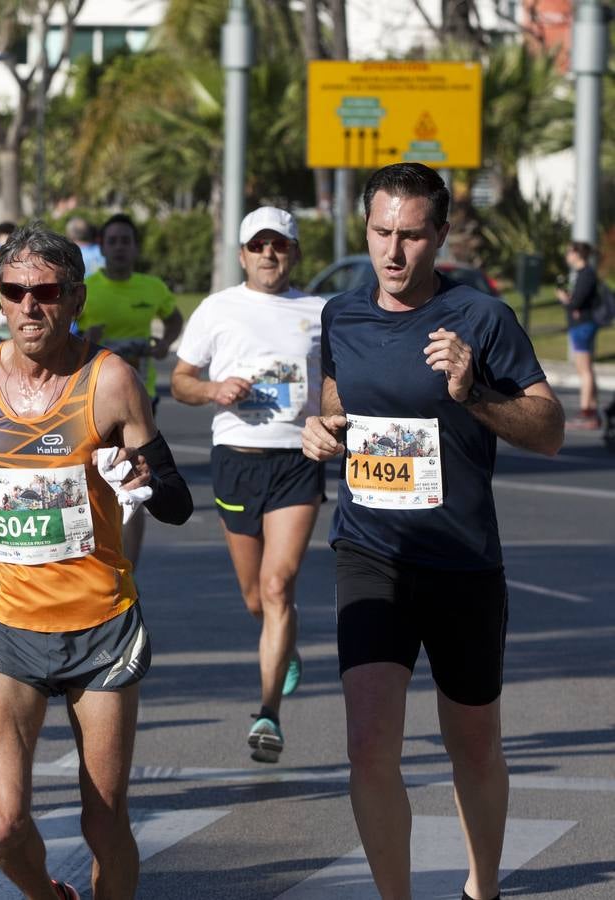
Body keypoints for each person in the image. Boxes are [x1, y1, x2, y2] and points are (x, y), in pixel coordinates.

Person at [301, 163, 564, 900]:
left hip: (461, 562)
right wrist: (321, 428)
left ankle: (482, 887)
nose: (393, 251)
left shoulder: (482, 319)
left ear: (439, 236)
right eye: (382, 232)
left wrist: (472, 391)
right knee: (367, 744)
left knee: (474, 747)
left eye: (412, 235)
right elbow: (335, 392)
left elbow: (548, 431)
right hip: (370, 552)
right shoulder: (341, 315)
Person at [0, 225, 193, 900]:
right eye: (14, 292)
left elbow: (180, 503)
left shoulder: (111, 383)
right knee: (2, 823)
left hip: (100, 630)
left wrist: (143, 478)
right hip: (4, 625)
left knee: (103, 822)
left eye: (45, 293)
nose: (28, 307)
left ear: (74, 297)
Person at [171, 206, 326, 763]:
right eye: (258, 245)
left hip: (297, 461)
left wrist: (334, 419)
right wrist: (214, 391)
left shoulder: (320, 311)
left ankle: (268, 713)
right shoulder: (218, 308)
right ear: (242, 255)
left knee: (279, 586)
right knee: (254, 595)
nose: (268, 254)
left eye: (279, 245)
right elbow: (181, 381)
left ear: (294, 253)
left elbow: (338, 384)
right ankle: (281, 648)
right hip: (237, 458)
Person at [78, 212, 184, 567]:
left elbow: (173, 319)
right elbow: (64, 335)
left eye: (126, 241)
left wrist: (162, 344)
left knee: (134, 477)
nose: (120, 248)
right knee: (97, 477)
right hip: (92, 396)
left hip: (141, 394)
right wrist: (86, 340)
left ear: (136, 248)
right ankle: (92, 555)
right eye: (113, 241)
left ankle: (128, 567)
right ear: (102, 248)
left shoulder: (152, 287)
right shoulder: (88, 288)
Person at [555, 240, 602, 430]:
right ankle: (592, 410)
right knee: (586, 369)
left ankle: (587, 412)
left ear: (577, 254)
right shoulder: (584, 274)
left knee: (584, 370)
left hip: (583, 326)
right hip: (582, 325)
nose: (567, 256)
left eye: (569, 253)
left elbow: (577, 303)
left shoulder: (586, 274)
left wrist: (564, 300)